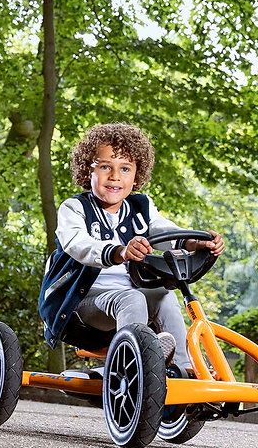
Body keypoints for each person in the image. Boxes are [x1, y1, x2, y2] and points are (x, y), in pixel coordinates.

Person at [38, 123, 224, 370]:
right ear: (87, 171)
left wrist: (193, 242)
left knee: (164, 296)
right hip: (79, 305)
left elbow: (163, 230)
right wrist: (120, 251)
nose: (115, 176)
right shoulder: (74, 208)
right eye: (105, 167)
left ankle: (180, 367)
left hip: (126, 302)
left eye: (125, 168)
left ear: (137, 176)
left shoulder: (141, 207)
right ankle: (132, 363)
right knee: (132, 298)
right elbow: (78, 245)